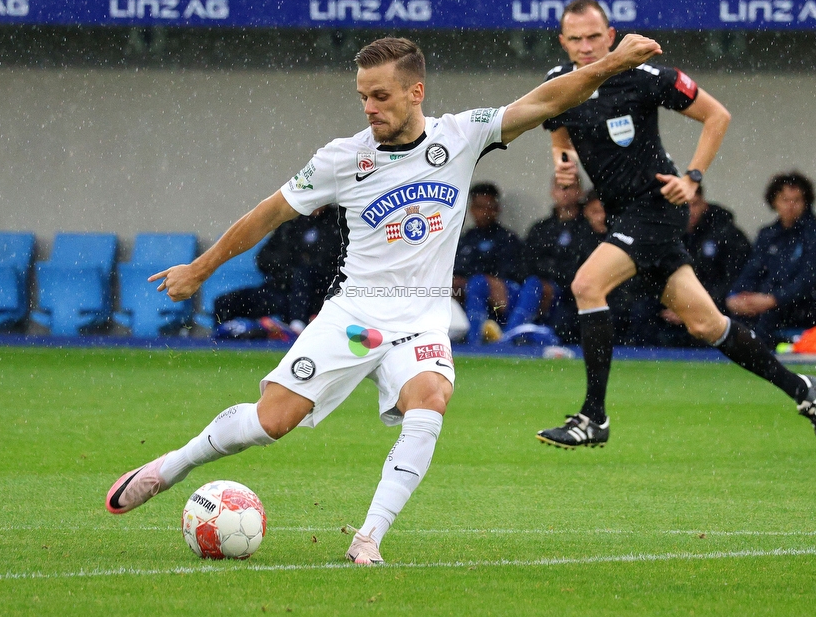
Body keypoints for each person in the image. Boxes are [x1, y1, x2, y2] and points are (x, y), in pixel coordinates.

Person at [105, 32, 665, 564]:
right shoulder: (342, 158)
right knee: (270, 423)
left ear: (414, 92)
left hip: (420, 322)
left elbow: (546, 99)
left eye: (380, 95)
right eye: (362, 97)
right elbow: (267, 214)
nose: (369, 107)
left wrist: (612, 63)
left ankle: (368, 539)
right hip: (354, 315)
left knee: (430, 400)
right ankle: (171, 466)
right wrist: (201, 269)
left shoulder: (462, 135)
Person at [535, 0, 816, 452]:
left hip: (656, 207)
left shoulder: (644, 75)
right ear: (562, 41)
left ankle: (593, 417)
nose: (585, 46)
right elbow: (560, 134)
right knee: (707, 324)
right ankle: (803, 389)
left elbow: (717, 115)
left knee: (586, 285)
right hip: (623, 215)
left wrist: (693, 177)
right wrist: (564, 164)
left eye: (594, 36)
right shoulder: (560, 83)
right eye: (575, 39)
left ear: (611, 34)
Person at [727, 171, 816, 348]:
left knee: (766, 317)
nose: (790, 206)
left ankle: (761, 360)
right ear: (774, 202)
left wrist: (772, 300)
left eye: (796, 200)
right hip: (773, 304)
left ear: (806, 203)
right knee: (730, 316)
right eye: (785, 200)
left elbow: (807, 283)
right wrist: (735, 297)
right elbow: (752, 271)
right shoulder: (768, 235)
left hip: (810, 307)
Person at [628, 185, 751, 347]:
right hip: (676, 303)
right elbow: (656, 276)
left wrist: (692, 306)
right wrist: (675, 304)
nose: (690, 211)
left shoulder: (726, 234)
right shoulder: (668, 235)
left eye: (694, 204)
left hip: (713, 303)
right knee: (640, 311)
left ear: (704, 204)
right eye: (684, 205)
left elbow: (731, 281)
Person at [213, 204, 342, 336]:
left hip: (315, 297)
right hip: (279, 289)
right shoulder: (291, 223)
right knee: (224, 303)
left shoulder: (337, 222)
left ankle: (295, 330)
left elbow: (333, 264)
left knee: (303, 275)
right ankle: (223, 339)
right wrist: (290, 269)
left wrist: (302, 268)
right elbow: (263, 258)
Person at [500, 175, 596, 344]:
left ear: (579, 192)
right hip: (528, 290)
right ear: (553, 191)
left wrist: (550, 278)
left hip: (564, 296)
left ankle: (507, 339)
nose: (564, 192)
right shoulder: (540, 228)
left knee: (534, 285)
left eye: (570, 187)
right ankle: (475, 341)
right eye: (560, 187)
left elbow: (581, 269)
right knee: (480, 283)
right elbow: (523, 264)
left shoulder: (587, 229)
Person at [451, 182, 522, 344]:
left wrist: (479, 281)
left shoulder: (507, 238)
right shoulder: (465, 239)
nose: (484, 212)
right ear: (471, 209)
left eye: (488, 207)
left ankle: (474, 343)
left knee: (478, 283)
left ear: (497, 209)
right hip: (468, 295)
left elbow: (511, 274)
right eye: (479, 207)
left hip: (503, 298)